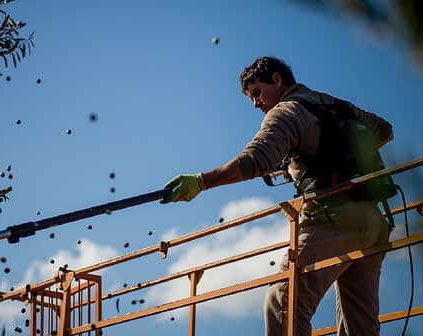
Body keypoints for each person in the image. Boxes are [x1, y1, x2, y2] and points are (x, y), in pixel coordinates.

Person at [161, 56, 393, 336]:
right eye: (250, 98)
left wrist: (200, 182)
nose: (256, 103)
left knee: (283, 300)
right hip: (373, 222)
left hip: (331, 217)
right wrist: (333, 155)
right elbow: (384, 131)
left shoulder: (286, 112)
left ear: (277, 80)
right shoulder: (334, 105)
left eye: (257, 92)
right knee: (360, 323)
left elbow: (255, 160)